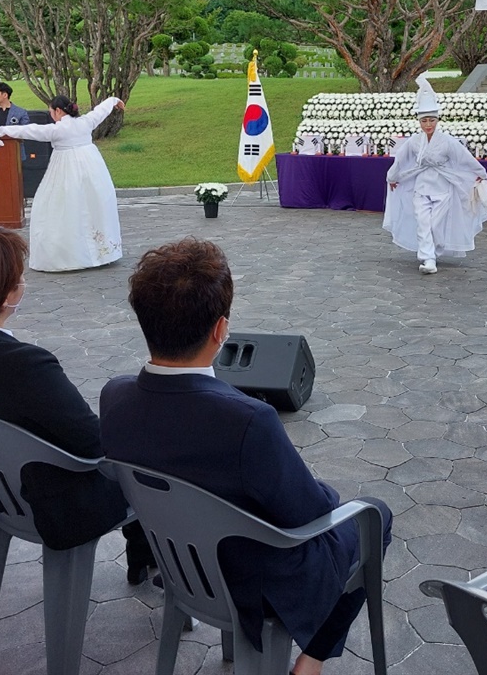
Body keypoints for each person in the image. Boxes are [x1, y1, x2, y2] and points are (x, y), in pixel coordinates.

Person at [100, 238, 393, 675]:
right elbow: (308, 515)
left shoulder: (114, 396)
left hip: (180, 564)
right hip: (249, 583)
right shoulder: (248, 420)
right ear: (220, 331)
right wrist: (331, 496)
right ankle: (311, 660)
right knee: (375, 515)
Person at [0, 225, 153, 576]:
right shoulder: (26, 364)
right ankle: (162, 559)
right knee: (144, 446)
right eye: (18, 279)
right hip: (55, 503)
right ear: (5, 295)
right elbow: (94, 444)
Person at [0, 94, 125, 272]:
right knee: (94, 205)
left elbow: (30, 130)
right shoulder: (86, 122)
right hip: (92, 168)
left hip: (65, 170)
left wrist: (1, 130)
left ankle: (69, 254)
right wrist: (114, 100)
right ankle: (102, 251)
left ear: (59, 111)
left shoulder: (57, 130)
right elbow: (100, 111)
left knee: (60, 207)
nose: (51, 115)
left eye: (51, 112)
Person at [384, 76, 487, 274]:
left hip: (443, 188)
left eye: (431, 120)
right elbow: (400, 160)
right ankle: (428, 259)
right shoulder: (414, 142)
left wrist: (481, 173)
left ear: (437, 120)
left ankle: (435, 250)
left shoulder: (448, 141)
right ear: (419, 122)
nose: (428, 125)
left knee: (436, 225)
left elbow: (464, 158)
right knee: (423, 223)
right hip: (421, 186)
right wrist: (392, 178)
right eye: (424, 120)